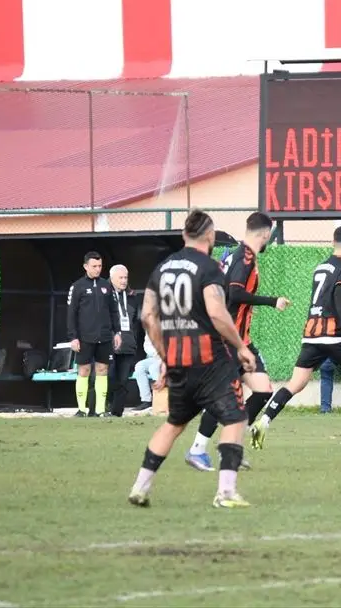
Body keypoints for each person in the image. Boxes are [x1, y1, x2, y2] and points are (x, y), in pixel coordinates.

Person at [127, 210, 257, 509]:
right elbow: (217, 313)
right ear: (209, 236)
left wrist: (165, 355)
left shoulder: (162, 268)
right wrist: (240, 346)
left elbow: (147, 316)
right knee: (236, 418)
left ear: (184, 234)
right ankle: (226, 492)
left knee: (174, 423)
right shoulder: (209, 267)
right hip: (210, 361)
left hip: (178, 361)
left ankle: (140, 488)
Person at [252, 224, 341, 448]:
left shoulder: (320, 267)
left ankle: (263, 422)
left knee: (295, 383)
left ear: (333, 242)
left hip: (311, 333)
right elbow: (339, 294)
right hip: (332, 333)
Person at [186, 212, 291, 470]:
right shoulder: (245, 257)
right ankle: (197, 449)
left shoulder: (234, 254)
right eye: (269, 236)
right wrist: (272, 301)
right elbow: (234, 293)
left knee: (263, 390)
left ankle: (231, 446)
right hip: (229, 339)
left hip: (240, 339)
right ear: (264, 233)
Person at [66, 251, 122, 417]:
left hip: (104, 336)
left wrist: (117, 332)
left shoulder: (107, 286)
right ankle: (81, 409)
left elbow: (114, 311)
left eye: (100, 266)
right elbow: (71, 313)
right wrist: (73, 337)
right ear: (86, 266)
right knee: (84, 370)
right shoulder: (77, 286)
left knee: (102, 369)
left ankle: (100, 410)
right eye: (94, 266)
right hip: (85, 337)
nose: (98, 269)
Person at [107, 264, 143, 417]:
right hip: (109, 343)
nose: (123, 281)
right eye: (120, 278)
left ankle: (117, 413)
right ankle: (103, 408)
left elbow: (134, 321)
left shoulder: (132, 297)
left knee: (123, 380)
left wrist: (131, 337)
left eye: (125, 277)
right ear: (112, 278)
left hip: (128, 344)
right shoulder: (105, 295)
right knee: (108, 377)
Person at [131, 341, 162, 412]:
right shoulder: (149, 333)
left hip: (169, 356)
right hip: (155, 357)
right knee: (139, 366)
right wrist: (156, 353)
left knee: (153, 368)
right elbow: (147, 346)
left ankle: (160, 399)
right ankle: (146, 401)